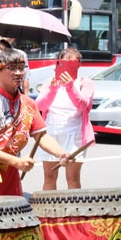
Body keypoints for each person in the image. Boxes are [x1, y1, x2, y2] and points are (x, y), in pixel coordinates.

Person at [0, 47, 69, 198]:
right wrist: (16, 161)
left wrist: (60, 153)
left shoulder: (28, 104)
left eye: (21, 68)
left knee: (13, 220)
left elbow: (41, 136)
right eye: (12, 68)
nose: (18, 73)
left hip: (10, 174)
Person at [35, 46, 94, 190]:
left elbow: (83, 105)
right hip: (51, 132)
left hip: (75, 133)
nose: (67, 66)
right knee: (49, 177)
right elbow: (40, 106)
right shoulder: (50, 82)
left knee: (73, 178)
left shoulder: (85, 83)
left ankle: (75, 212)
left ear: (79, 64)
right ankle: (48, 211)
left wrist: (70, 87)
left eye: (72, 62)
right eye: (63, 62)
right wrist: (53, 90)